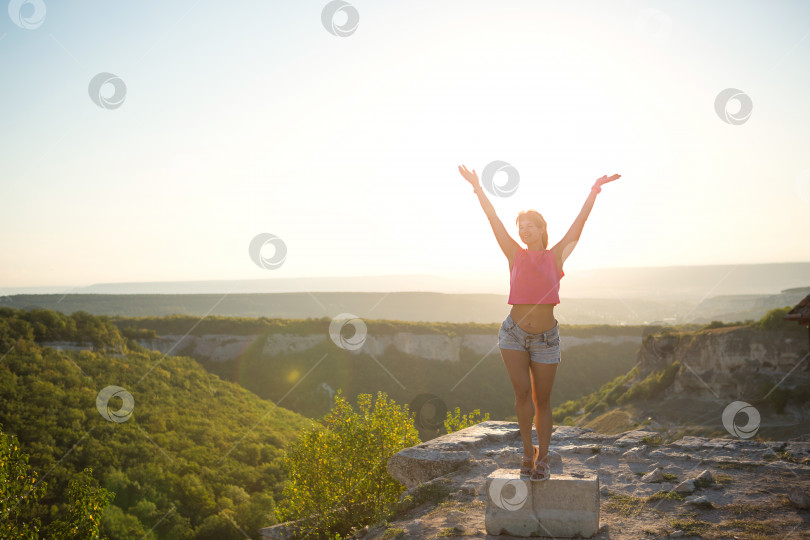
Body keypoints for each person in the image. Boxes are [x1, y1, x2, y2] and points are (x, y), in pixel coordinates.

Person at [457, 164, 620, 481]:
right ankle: (527, 452)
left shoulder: (556, 255)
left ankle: (543, 457)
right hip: (512, 335)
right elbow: (493, 219)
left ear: (542, 229)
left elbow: (579, 223)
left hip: (546, 338)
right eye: (521, 225)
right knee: (521, 397)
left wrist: (595, 189)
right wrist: (477, 186)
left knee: (541, 400)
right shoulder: (514, 254)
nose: (524, 229)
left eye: (530, 225)